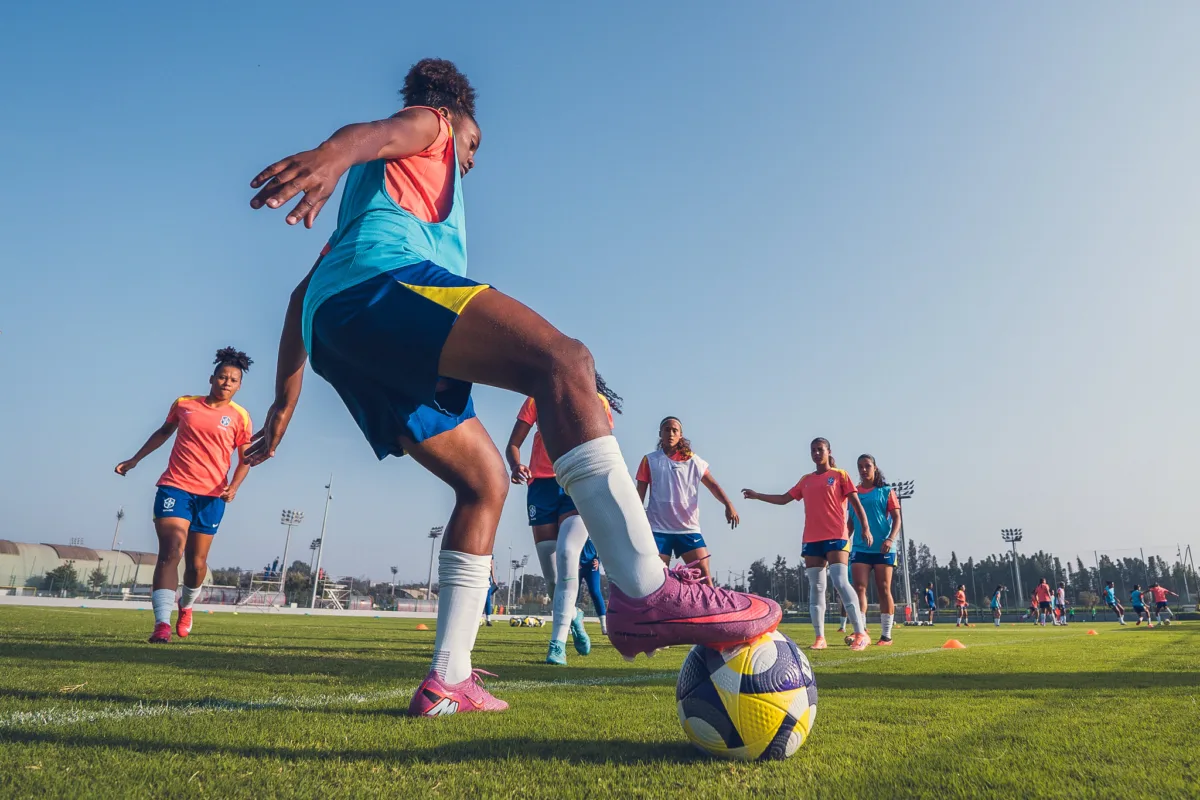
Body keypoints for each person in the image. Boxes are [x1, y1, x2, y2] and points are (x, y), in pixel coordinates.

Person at [245, 59, 780, 716]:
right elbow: (379, 131)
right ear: (458, 118)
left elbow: (303, 294)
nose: (470, 159)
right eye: (475, 145)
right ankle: (644, 591)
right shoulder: (433, 125)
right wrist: (329, 155)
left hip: (337, 327)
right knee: (565, 362)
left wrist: (283, 400)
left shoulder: (373, 201)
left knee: (485, 484)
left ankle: (449, 678)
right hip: (379, 291)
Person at [115, 348, 254, 644]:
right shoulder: (185, 404)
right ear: (211, 378)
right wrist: (135, 459)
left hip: (213, 496)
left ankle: (186, 606)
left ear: (239, 386)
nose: (226, 382)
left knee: (196, 564)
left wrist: (235, 486)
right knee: (171, 551)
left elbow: (246, 458)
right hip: (175, 486)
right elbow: (164, 432)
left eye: (233, 380)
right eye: (222, 377)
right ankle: (161, 624)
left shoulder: (240, 417)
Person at [506, 377, 620, 665]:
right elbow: (513, 444)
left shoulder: (598, 402)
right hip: (541, 488)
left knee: (569, 553)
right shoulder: (537, 398)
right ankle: (575, 616)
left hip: (577, 483)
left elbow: (604, 447)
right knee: (552, 577)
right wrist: (516, 465)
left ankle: (557, 644)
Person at [743, 437, 871, 650]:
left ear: (829, 451)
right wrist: (758, 496)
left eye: (820, 449)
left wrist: (864, 527)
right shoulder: (806, 480)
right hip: (812, 539)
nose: (816, 453)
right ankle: (820, 638)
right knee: (817, 587)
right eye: (813, 450)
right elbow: (785, 498)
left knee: (840, 581)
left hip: (837, 537)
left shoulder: (840, 476)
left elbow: (856, 505)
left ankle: (860, 632)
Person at [635, 417, 739, 587]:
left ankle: (712, 607)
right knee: (657, 579)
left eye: (675, 430)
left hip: (688, 528)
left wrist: (729, 505)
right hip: (658, 529)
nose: (671, 433)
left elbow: (713, 485)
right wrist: (635, 523)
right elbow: (639, 495)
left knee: (704, 574)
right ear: (660, 434)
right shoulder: (650, 460)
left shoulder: (694, 461)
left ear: (681, 435)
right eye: (667, 429)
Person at [847, 455, 902, 645]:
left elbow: (897, 519)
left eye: (867, 466)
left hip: (883, 547)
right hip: (860, 547)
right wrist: (842, 542)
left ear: (875, 468)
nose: (863, 470)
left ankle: (886, 635)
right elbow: (850, 522)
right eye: (860, 466)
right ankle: (861, 633)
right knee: (858, 588)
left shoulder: (886, 491)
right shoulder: (853, 493)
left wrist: (890, 539)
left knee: (883, 588)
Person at [578, 539, 608, 635]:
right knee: (572, 594)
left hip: (591, 565)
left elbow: (601, 545)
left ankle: (604, 626)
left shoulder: (594, 525)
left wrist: (598, 560)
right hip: (576, 565)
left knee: (595, 592)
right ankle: (569, 625)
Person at [482, 556, 497, 626]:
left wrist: (493, 578)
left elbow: (491, 565)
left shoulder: (490, 554)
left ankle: (488, 619)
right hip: (477, 577)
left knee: (487, 599)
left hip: (486, 578)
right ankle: (479, 618)